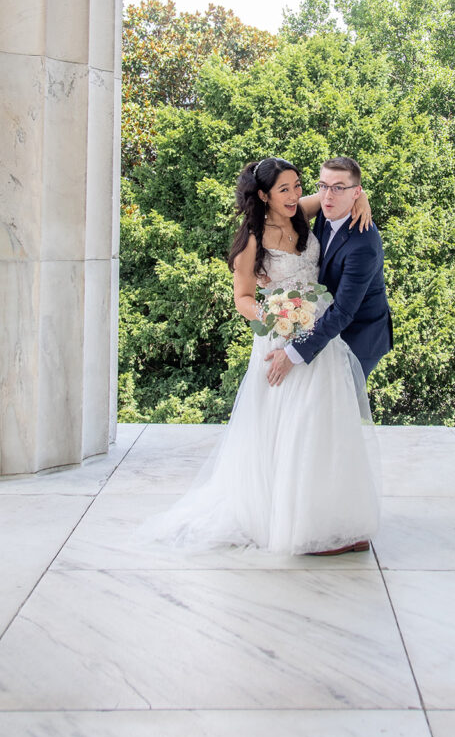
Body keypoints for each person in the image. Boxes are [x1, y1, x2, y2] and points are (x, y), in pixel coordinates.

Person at [138, 157, 383, 557]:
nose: (296, 195)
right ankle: (289, 519)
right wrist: (272, 315)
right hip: (279, 338)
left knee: (321, 427)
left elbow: (334, 193)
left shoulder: (303, 211)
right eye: (284, 189)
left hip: (317, 337)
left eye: (297, 186)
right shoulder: (252, 238)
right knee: (287, 428)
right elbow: (243, 298)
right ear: (264, 194)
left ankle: (328, 516)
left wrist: (362, 198)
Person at [265, 156, 393, 386]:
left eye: (338, 188)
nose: (327, 195)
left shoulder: (364, 244)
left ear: (355, 192)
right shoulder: (327, 209)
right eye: (323, 186)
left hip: (359, 335)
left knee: (340, 405)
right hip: (324, 321)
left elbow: (343, 311)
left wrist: (293, 353)